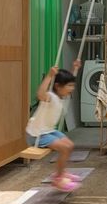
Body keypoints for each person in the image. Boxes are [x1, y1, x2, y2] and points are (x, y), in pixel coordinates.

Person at [26, 60, 82, 192]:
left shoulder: (61, 96)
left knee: (69, 145)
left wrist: (75, 69)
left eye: (72, 86)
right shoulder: (50, 97)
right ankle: (58, 178)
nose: (71, 89)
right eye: (69, 86)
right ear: (57, 86)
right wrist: (49, 76)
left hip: (49, 131)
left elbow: (69, 81)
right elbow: (40, 94)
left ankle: (60, 173)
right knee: (64, 148)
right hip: (36, 134)